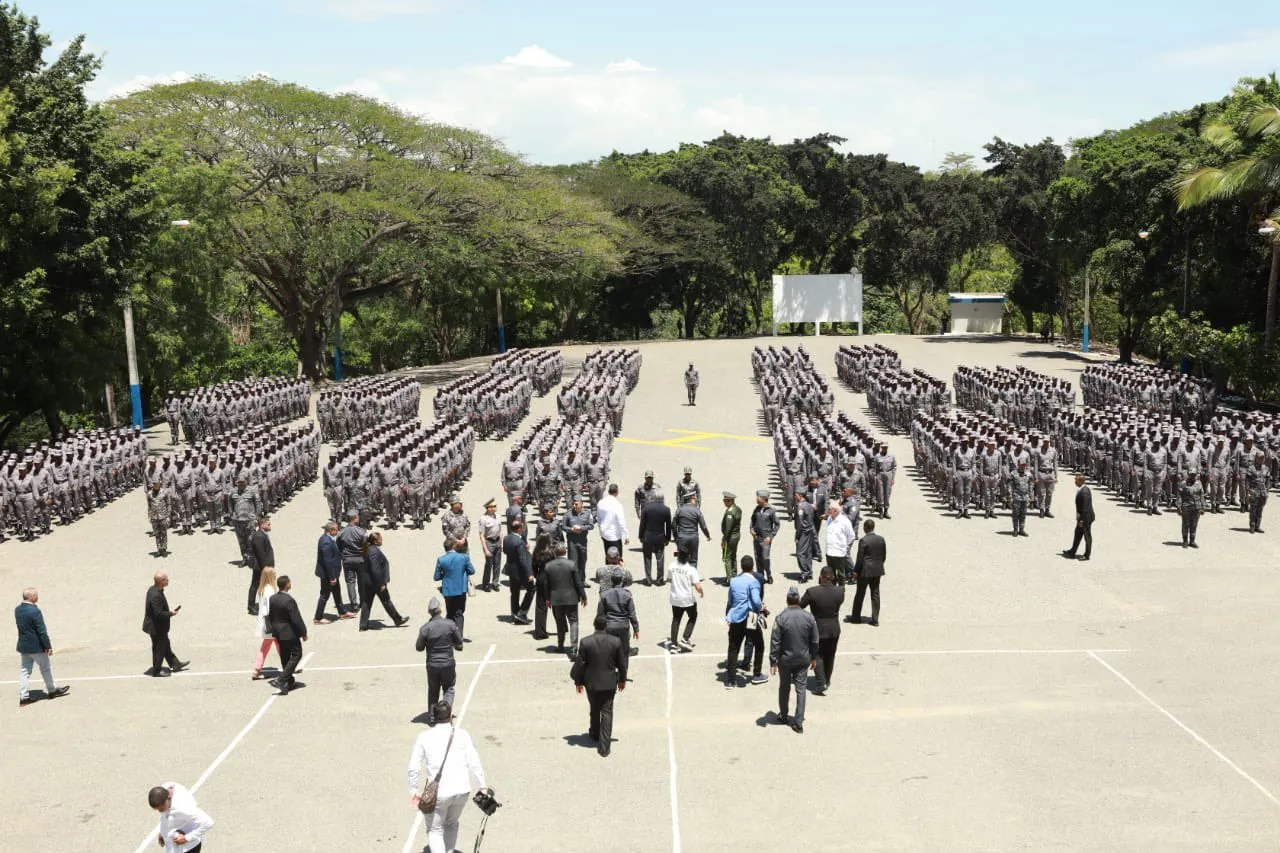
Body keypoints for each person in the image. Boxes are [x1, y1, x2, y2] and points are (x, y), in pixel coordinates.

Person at [407, 700, 490, 853]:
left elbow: (413, 768)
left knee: (435, 830)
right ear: (451, 716)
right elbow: (474, 761)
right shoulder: (463, 735)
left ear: (434, 716)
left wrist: (414, 790)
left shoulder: (423, 737)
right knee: (452, 824)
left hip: (439, 794)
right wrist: (482, 785)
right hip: (462, 791)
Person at [573, 615, 627, 757]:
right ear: (606, 626)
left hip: (591, 683)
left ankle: (595, 733)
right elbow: (622, 663)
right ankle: (604, 747)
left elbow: (580, 664)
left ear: (594, 625)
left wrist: (578, 682)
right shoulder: (615, 642)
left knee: (594, 708)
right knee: (607, 712)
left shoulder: (585, 642)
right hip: (609, 682)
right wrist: (622, 680)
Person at [770, 586, 819, 734]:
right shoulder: (809, 617)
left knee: (784, 688)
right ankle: (798, 722)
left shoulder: (780, 618)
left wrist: (773, 661)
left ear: (787, 600)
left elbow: (775, 641)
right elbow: (815, 640)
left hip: (785, 660)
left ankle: (784, 715)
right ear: (798, 600)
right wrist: (814, 657)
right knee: (801, 690)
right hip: (803, 659)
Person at [15, 587, 70, 707]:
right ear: (32, 597)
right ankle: (52, 690)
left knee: (25, 671)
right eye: (36, 595)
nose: (38, 597)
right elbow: (42, 631)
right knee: (45, 668)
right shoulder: (35, 611)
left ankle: (23, 697)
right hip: (36, 647)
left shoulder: (17, 610)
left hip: (24, 646)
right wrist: (47, 646)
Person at [724, 556, 768, 688]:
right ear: (752, 567)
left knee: (733, 648)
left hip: (736, 617)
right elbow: (755, 600)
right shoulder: (754, 582)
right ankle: (757, 674)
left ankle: (731, 680)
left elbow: (731, 600)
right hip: (750, 618)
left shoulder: (734, 581)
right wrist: (763, 607)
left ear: (741, 567)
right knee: (759, 645)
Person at [800, 567, 844, 694]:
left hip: (818, 628)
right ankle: (827, 679)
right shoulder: (840, 592)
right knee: (830, 655)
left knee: (816, 654)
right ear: (833, 578)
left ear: (820, 577)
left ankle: (821, 682)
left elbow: (800, 606)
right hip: (834, 628)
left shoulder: (812, 592)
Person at [416, 598, 464, 711]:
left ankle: (433, 716)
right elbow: (459, 642)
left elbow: (419, 647)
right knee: (449, 689)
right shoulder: (450, 625)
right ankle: (445, 714)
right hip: (448, 663)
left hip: (432, 664)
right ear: (440, 610)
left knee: (433, 690)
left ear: (429, 612)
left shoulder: (425, 628)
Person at [541, 542, 587, 655]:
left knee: (560, 623)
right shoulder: (571, 564)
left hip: (556, 599)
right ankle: (573, 648)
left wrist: (547, 599)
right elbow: (578, 583)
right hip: (571, 598)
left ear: (555, 553)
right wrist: (583, 596)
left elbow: (546, 585)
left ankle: (560, 645)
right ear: (565, 552)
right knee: (573, 622)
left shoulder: (548, 566)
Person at [359, 531, 410, 631]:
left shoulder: (369, 549)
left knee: (367, 603)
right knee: (386, 600)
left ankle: (363, 625)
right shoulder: (374, 551)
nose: (382, 541)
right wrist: (381, 583)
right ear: (375, 541)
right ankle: (397, 619)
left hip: (368, 582)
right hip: (376, 582)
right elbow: (375, 569)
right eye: (380, 539)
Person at [267, 574, 307, 694]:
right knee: (296, 654)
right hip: (289, 632)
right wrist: (303, 632)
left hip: (278, 632)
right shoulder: (289, 600)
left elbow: (271, 616)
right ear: (287, 585)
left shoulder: (273, 598)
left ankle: (288, 682)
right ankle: (282, 679)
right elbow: (296, 618)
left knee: (284, 656)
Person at [143, 572, 188, 678]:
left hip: (156, 626)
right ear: (161, 581)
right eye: (166, 579)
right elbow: (158, 614)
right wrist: (171, 613)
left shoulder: (153, 589)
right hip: (157, 628)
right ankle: (156, 671)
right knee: (159, 649)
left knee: (165, 645)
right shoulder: (156, 595)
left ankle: (175, 664)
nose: (168, 581)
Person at [597, 568, 638, 682]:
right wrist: (636, 629)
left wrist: (598, 629)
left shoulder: (604, 595)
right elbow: (632, 614)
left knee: (608, 651)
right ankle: (622, 677)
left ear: (612, 580)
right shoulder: (627, 595)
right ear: (622, 580)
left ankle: (608, 674)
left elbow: (600, 614)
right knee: (624, 652)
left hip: (609, 627)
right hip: (623, 627)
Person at [148, 782, 214, 852]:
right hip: (174, 843)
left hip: (188, 847)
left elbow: (208, 822)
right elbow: (166, 816)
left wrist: (186, 838)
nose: (160, 811)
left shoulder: (183, 808)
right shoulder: (165, 789)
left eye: (161, 809)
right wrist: (163, 832)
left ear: (168, 799)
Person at [433, 538, 476, 640]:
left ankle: (449, 635)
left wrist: (445, 573)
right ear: (454, 546)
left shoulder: (441, 559)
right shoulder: (463, 558)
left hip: (448, 590)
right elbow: (472, 570)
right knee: (459, 613)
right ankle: (458, 638)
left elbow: (436, 577)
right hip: (460, 589)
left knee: (450, 612)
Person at [850, 518, 885, 626]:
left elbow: (860, 558)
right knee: (875, 594)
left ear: (865, 528)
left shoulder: (864, 540)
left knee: (860, 593)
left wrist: (856, 571)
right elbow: (883, 556)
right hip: (877, 570)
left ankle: (856, 617)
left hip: (865, 571)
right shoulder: (881, 539)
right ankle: (875, 619)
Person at [667, 548, 703, 652]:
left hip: (675, 598)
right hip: (687, 599)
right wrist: (701, 592)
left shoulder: (672, 566)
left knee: (676, 619)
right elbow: (697, 586)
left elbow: (669, 579)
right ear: (688, 557)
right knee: (693, 616)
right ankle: (685, 638)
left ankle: (673, 644)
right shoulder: (691, 570)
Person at [314, 521, 349, 624]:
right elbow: (327, 561)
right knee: (324, 595)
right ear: (331, 530)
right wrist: (332, 577)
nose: (338, 531)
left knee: (337, 592)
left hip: (332, 573)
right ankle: (318, 617)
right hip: (328, 574)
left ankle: (342, 612)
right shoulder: (326, 541)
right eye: (336, 530)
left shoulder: (328, 539)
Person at [503, 520, 534, 624]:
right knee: (531, 589)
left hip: (511, 570)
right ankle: (522, 612)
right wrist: (529, 573)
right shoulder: (519, 542)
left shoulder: (506, 538)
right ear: (520, 528)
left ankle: (514, 613)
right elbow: (523, 560)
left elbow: (505, 551)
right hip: (520, 571)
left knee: (514, 592)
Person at [251, 566, 279, 680]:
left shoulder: (263, 589)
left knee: (272, 645)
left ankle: (257, 669)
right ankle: (257, 669)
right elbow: (270, 606)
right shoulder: (270, 590)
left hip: (266, 622)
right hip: (271, 622)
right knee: (275, 645)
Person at [337, 509, 367, 613]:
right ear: (354, 519)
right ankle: (363, 602)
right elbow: (365, 546)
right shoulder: (361, 532)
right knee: (362, 582)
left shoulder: (341, 532)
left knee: (350, 582)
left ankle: (354, 605)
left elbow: (338, 547)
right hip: (360, 560)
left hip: (347, 560)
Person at [639, 492, 672, 584]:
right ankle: (660, 579)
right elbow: (668, 526)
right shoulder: (666, 509)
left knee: (647, 558)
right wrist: (668, 538)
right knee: (660, 558)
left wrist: (640, 536)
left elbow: (642, 524)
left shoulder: (646, 508)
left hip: (648, 537)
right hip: (660, 537)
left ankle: (648, 580)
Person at [560, 497, 594, 586]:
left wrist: (581, 528)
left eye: (577, 504)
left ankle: (582, 580)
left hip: (583, 541)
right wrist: (571, 529)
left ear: (581, 504)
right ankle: (572, 582)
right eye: (573, 504)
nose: (574, 506)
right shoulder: (568, 514)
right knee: (572, 562)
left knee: (582, 561)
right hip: (572, 542)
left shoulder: (587, 513)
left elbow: (591, 525)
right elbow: (563, 526)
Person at [672, 491, 711, 567]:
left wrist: (676, 537)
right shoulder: (696, 511)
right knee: (693, 560)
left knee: (681, 559)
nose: (695, 500)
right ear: (690, 500)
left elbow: (673, 525)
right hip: (693, 538)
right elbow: (703, 526)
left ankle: (682, 577)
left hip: (682, 537)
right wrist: (708, 536)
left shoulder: (679, 510)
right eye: (694, 499)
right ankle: (692, 578)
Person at [1062, 473, 1095, 560]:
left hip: (1086, 518)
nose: (1075, 482)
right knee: (1078, 534)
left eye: (1076, 480)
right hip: (1082, 517)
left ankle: (1087, 555)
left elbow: (1085, 508)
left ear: (1081, 481)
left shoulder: (1084, 492)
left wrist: (1081, 520)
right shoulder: (1082, 489)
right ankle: (1072, 551)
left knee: (1087, 535)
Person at [822, 500, 855, 585]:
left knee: (841, 574)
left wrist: (845, 547)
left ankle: (841, 590)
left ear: (835, 511)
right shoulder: (829, 518)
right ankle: (832, 590)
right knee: (830, 574)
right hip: (829, 552)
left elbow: (851, 536)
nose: (828, 511)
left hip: (839, 553)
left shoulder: (844, 521)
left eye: (829, 509)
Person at [750, 490, 779, 584]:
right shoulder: (757, 509)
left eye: (758, 497)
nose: (756, 499)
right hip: (756, 538)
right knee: (758, 558)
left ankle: (769, 574)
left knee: (765, 558)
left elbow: (777, 525)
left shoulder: (771, 510)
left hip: (766, 539)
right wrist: (751, 529)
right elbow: (752, 520)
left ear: (763, 499)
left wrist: (771, 536)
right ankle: (760, 576)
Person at [530, 533, 556, 640]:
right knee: (557, 605)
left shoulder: (536, 552)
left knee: (540, 606)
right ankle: (562, 628)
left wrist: (537, 575)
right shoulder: (552, 552)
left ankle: (540, 632)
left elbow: (533, 567)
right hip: (552, 578)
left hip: (541, 578)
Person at [247, 516, 274, 616]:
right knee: (255, 585)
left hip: (263, 566)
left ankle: (265, 603)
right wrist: (265, 568)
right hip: (260, 566)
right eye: (268, 524)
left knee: (264, 585)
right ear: (262, 525)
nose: (270, 525)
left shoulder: (263, 534)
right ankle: (251, 606)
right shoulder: (259, 536)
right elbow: (260, 554)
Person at [595, 483, 629, 557]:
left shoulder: (601, 503)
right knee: (617, 558)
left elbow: (599, 519)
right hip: (615, 536)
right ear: (617, 492)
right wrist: (626, 535)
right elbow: (621, 521)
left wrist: (601, 532)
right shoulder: (617, 504)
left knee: (608, 557)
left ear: (608, 491)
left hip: (605, 534)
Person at [478, 499, 503, 594]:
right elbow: (481, 535)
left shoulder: (498, 516)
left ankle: (495, 583)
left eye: (495, 506)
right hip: (489, 542)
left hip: (497, 541)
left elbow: (500, 530)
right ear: (488, 508)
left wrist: (502, 543)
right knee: (489, 564)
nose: (494, 508)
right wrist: (485, 549)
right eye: (492, 506)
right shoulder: (483, 519)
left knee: (497, 564)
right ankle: (486, 584)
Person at [1178, 469, 1205, 548]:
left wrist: (1203, 507)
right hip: (1186, 506)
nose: (1193, 476)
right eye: (1191, 474)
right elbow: (1179, 496)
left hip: (1197, 507)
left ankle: (1192, 541)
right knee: (1185, 524)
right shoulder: (1183, 483)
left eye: (1194, 475)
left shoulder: (1199, 483)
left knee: (1194, 525)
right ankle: (1185, 541)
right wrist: (1179, 507)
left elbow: (1202, 495)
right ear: (1188, 474)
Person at [720, 491, 742, 582]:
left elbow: (728, 528)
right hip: (736, 536)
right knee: (733, 556)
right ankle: (734, 574)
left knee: (727, 558)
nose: (723, 502)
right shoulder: (737, 509)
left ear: (730, 501)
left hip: (730, 537)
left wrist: (724, 540)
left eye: (725, 500)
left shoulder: (730, 513)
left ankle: (729, 579)